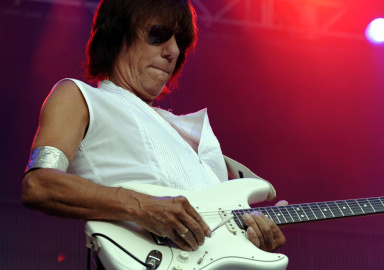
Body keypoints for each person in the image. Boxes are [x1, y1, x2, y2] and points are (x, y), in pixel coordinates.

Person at [21, 0, 286, 264]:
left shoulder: (189, 134)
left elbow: (216, 240)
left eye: (179, 41)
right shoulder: (81, 97)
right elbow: (39, 184)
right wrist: (141, 206)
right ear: (117, 32)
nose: (172, 51)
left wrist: (250, 240)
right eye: (157, 35)